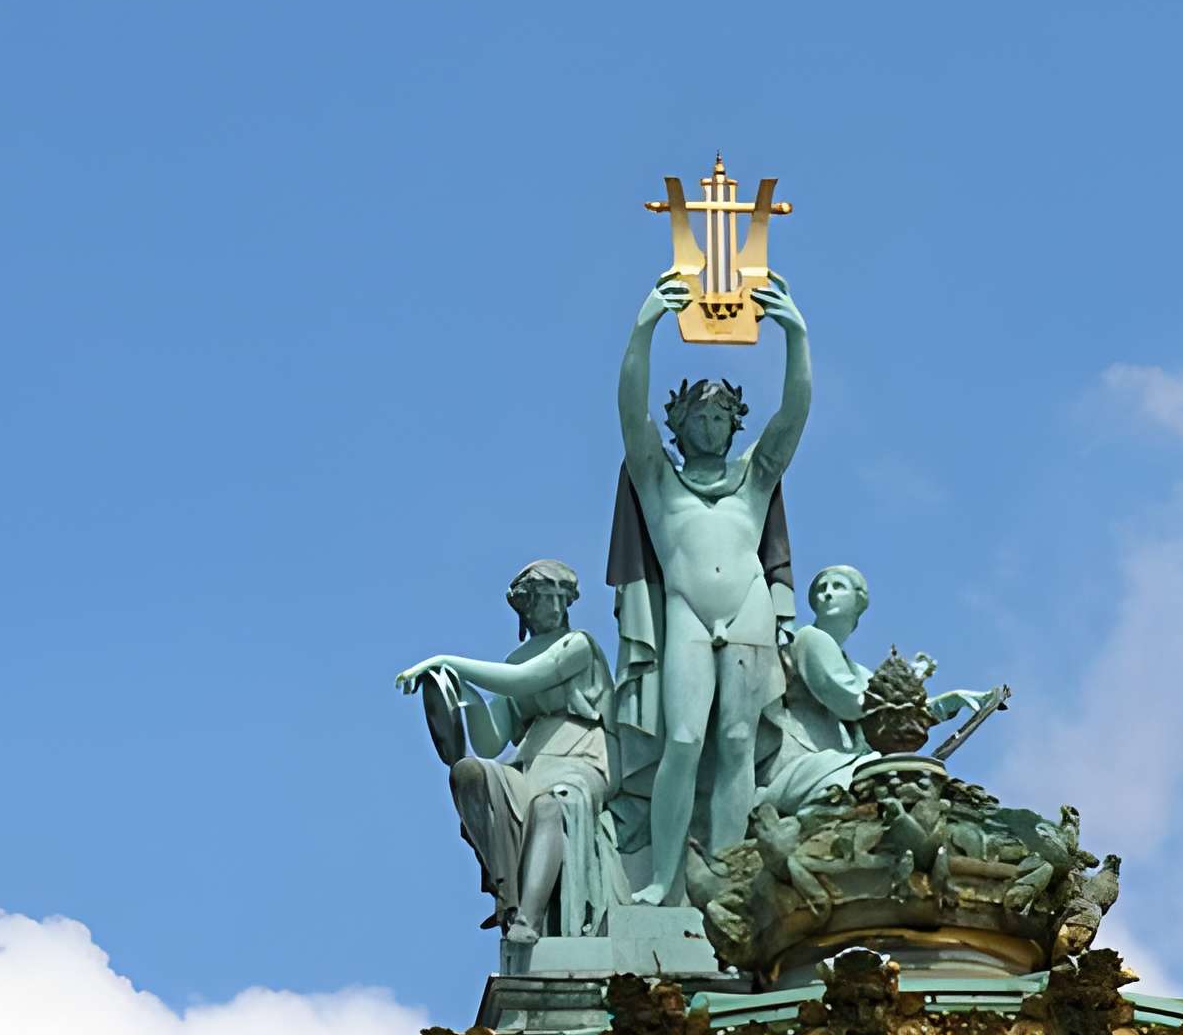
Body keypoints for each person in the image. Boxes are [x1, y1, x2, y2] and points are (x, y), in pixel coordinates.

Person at [609, 267, 809, 898]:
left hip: (747, 604)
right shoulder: (656, 477)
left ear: (734, 424)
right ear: (679, 424)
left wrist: (796, 338)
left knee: (737, 742)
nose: (711, 423)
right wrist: (643, 330)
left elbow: (793, 417)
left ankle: (726, 878)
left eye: (723, 414)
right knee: (685, 739)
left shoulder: (755, 477)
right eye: (699, 414)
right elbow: (628, 408)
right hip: (689, 612)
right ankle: (665, 878)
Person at [393, 559, 625, 943]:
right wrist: (457, 690)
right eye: (540, 599)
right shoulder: (515, 659)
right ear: (524, 606)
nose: (550, 608)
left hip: (583, 755)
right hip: (532, 760)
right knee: (470, 773)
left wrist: (448, 661)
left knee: (550, 806)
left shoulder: (577, 645)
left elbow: (525, 680)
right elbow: (490, 740)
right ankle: (506, 894)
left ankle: (527, 920)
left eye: (557, 598)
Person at [761, 564, 1000, 812]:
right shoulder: (811, 638)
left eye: (838, 586)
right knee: (890, 777)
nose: (828, 593)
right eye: (821, 589)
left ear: (859, 601)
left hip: (832, 759)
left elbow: (891, 715)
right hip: (803, 761)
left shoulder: (857, 671)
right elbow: (855, 705)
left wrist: (948, 702)